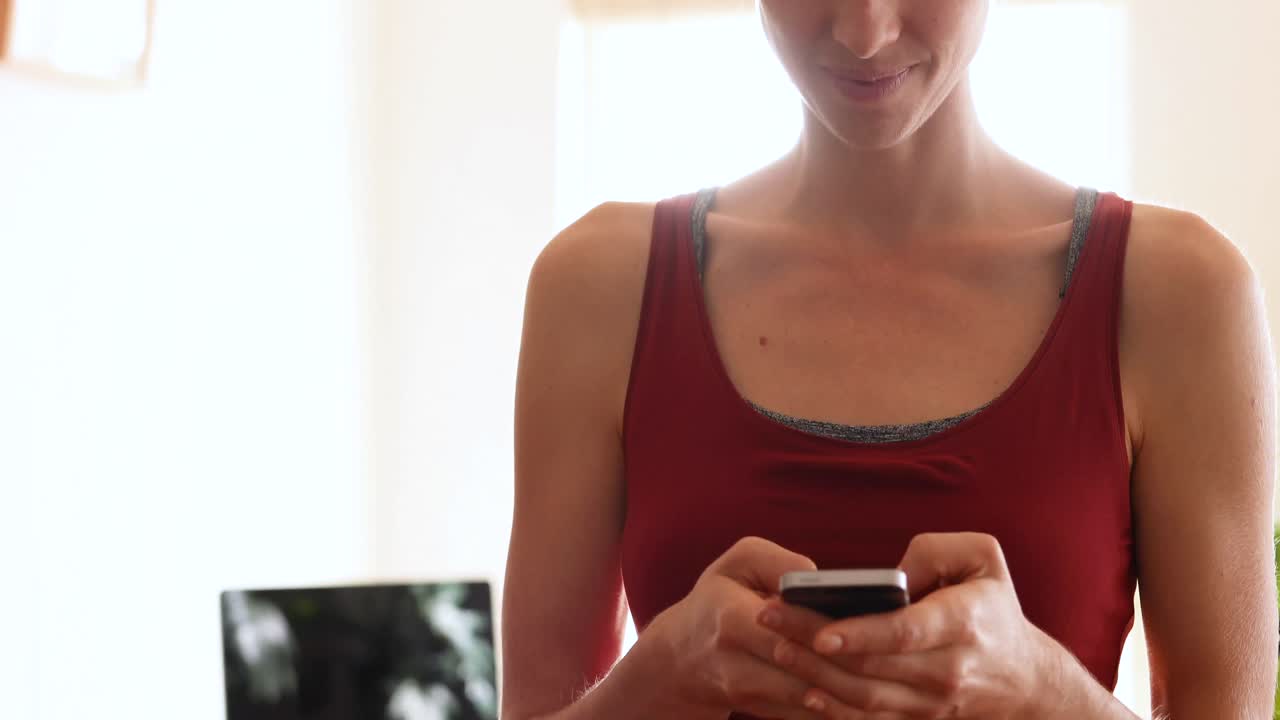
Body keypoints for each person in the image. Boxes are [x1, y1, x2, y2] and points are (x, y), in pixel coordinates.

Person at [502, 1, 1277, 718]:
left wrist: (1040, 687)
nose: (864, 33)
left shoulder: (1181, 294)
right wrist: (661, 670)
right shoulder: (600, 286)